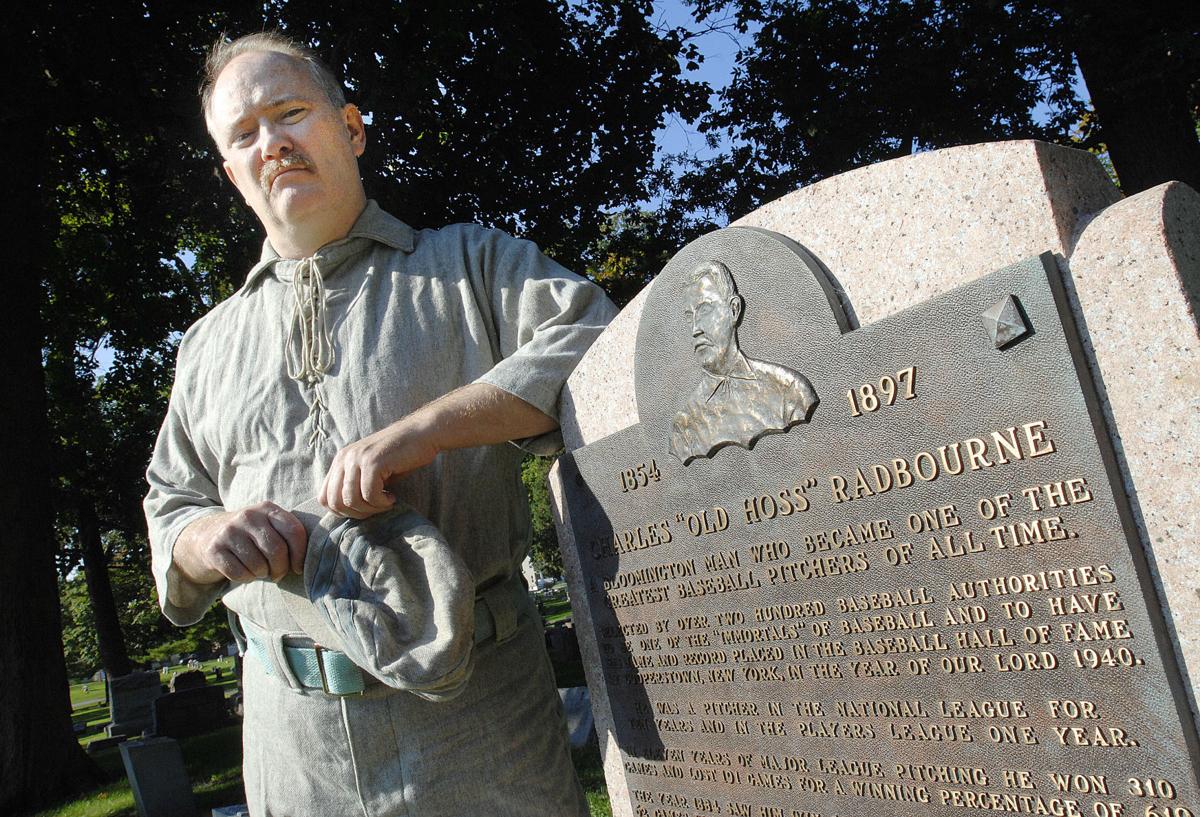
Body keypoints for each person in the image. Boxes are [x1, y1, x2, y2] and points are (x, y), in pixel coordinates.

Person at [144, 32, 616, 816]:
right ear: (232, 173)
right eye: (245, 135)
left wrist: (431, 427)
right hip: (290, 746)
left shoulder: (471, 262)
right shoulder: (204, 346)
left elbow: (593, 338)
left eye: (290, 112)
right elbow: (170, 502)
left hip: (480, 723)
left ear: (351, 128)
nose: (273, 143)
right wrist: (202, 540)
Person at [670, 260, 817, 464]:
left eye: (705, 311)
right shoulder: (686, 425)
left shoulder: (789, 390)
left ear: (734, 310)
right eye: (689, 317)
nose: (695, 329)